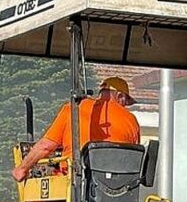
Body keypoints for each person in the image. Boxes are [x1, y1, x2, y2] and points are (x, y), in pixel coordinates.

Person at [11, 77, 141, 182]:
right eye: (127, 101)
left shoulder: (74, 109)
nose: (126, 106)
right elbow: (133, 158)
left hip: (76, 186)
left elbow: (46, 146)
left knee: (37, 196)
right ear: (120, 96)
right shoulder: (133, 121)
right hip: (120, 191)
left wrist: (22, 168)